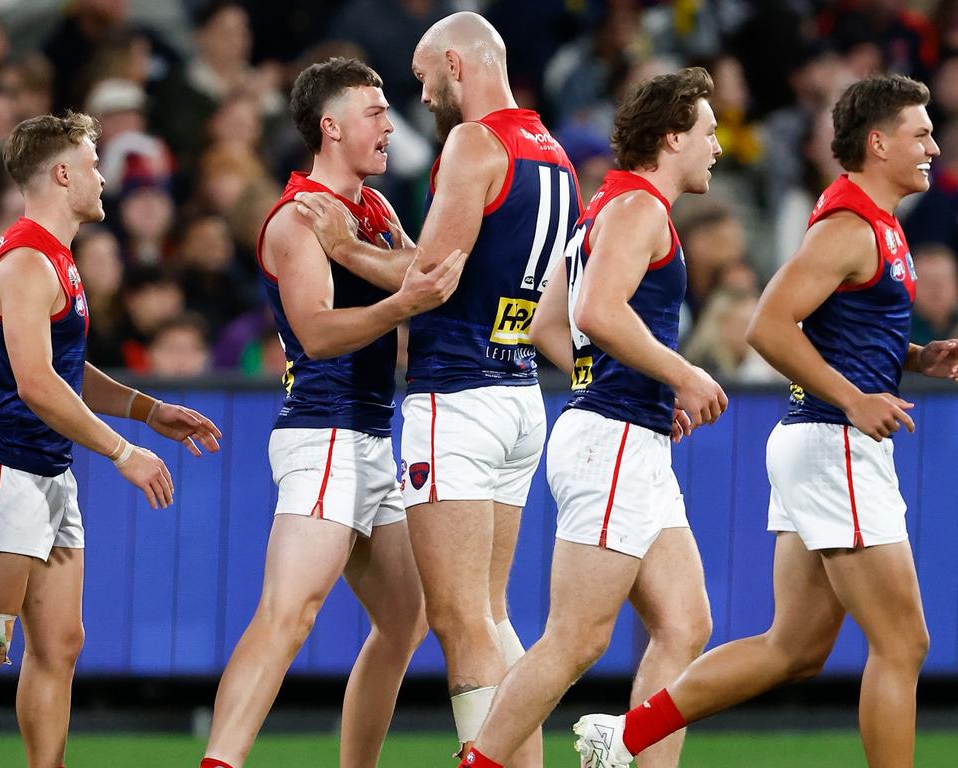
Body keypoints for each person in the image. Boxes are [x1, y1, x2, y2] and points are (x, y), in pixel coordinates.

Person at [572, 73, 958, 768]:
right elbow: (769, 327)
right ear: (878, 143)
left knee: (796, 648)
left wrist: (915, 357)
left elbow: (838, 334)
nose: (934, 144)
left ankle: (625, 736)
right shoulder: (848, 227)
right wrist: (853, 398)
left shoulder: (876, 224)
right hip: (834, 441)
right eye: (920, 132)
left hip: (820, 442)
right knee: (904, 645)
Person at [295, 13, 581, 764]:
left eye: (423, 77)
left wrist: (344, 246)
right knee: (491, 615)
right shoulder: (554, 155)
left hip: (456, 399)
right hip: (521, 393)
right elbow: (472, 271)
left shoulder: (474, 142)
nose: (421, 97)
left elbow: (432, 285)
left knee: (458, 622)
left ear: (456, 64)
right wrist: (403, 248)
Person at [199, 58, 466, 768]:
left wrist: (403, 284)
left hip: (371, 433)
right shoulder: (297, 218)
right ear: (331, 126)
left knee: (407, 620)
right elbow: (316, 333)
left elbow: (429, 272)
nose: (388, 124)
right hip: (326, 433)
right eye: (374, 112)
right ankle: (217, 762)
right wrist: (402, 304)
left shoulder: (372, 210)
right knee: (289, 615)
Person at [0, 111, 222, 768]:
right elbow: (36, 384)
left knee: (61, 642)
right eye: (93, 164)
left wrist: (147, 410)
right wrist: (123, 451)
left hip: (45, 471)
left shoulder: (54, 256)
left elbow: (65, 371)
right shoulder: (30, 261)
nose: (102, 177)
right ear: (63, 173)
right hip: (5, 467)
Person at [460, 67, 728, 768]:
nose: (718, 148)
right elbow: (593, 313)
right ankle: (478, 761)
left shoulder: (607, 207)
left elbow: (549, 324)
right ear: (672, 137)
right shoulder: (640, 209)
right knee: (576, 639)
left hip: (622, 435)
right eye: (707, 132)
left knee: (685, 623)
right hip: (611, 442)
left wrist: (631, 379)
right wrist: (681, 372)